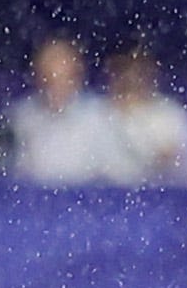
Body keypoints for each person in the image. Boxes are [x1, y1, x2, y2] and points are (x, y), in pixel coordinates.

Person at [11, 37, 127, 184]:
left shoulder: (100, 115)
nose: (56, 85)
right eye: (48, 76)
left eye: (63, 76)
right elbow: (13, 173)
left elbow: (122, 173)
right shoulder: (22, 117)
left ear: (77, 75)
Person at [101, 47, 187, 180]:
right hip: (102, 191)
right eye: (123, 70)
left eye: (137, 71)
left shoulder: (167, 112)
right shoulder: (97, 112)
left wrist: (133, 118)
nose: (130, 78)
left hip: (150, 191)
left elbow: (168, 160)